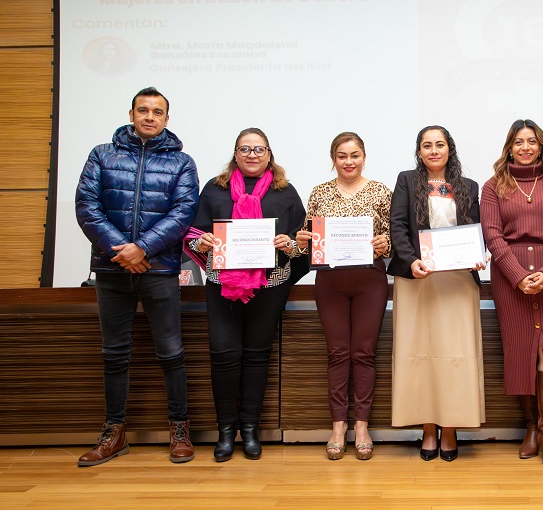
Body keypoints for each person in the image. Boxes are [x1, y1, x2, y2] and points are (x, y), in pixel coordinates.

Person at [75, 86, 199, 466]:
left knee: (171, 352)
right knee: (114, 354)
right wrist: (124, 252)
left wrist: (142, 248)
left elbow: (183, 212)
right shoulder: (102, 154)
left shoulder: (182, 163)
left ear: (166, 119)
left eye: (157, 112)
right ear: (130, 114)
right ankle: (114, 432)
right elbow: (86, 206)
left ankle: (180, 429)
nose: (149, 117)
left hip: (159, 269)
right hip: (112, 268)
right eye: (142, 110)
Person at [186, 128, 307, 461]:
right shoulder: (215, 188)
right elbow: (194, 235)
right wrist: (203, 242)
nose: (252, 154)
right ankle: (226, 431)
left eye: (259, 149)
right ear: (235, 154)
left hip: (269, 287)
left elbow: (302, 243)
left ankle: (250, 429)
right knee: (224, 355)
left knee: (256, 355)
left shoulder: (286, 192)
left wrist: (290, 245)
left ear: (269, 154)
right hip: (222, 285)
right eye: (245, 149)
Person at [480, 119, 543, 468]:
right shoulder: (493, 187)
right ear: (509, 147)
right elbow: (493, 236)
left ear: (541, 146)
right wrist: (519, 276)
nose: (525, 147)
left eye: (531, 141)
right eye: (518, 142)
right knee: (522, 352)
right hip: (510, 278)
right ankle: (531, 427)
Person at [388, 125, 486, 462]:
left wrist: (479, 254)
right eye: (426, 145)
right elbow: (397, 226)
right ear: (418, 151)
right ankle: (429, 429)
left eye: (439, 144)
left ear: (450, 149)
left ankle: (450, 429)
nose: (433, 151)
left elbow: (479, 232)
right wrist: (411, 260)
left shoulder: (469, 187)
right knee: (422, 354)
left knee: (454, 357)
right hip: (418, 279)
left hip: (457, 282)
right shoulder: (406, 181)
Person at [294, 132, 392, 461]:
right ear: (333, 159)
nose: (348, 161)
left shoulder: (381, 191)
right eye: (341, 155)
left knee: (363, 354)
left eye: (355, 155)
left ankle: (361, 427)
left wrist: (385, 244)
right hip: (330, 282)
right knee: (337, 353)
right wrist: (302, 239)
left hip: (371, 282)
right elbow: (305, 238)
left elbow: (394, 235)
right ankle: (338, 427)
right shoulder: (319, 192)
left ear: (364, 156)